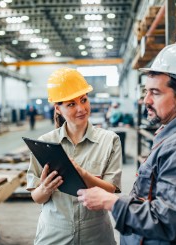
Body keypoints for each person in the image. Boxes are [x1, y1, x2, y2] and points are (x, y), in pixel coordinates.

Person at [77, 44, 176, 244]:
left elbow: (169, 221)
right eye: (146, 92)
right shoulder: (172, 134)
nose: (146, 100)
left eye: (156, 93)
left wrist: (112, 202)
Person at [26, 67, 123, 244]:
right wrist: (45, 189)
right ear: (58, 109)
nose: (81, 108)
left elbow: (110, 189)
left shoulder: (110, 141)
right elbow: (36, 196)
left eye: (84, 100)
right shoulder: (45, 143)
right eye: (71, 104)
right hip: (54, 234)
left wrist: (82, 174)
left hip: (95, 234)